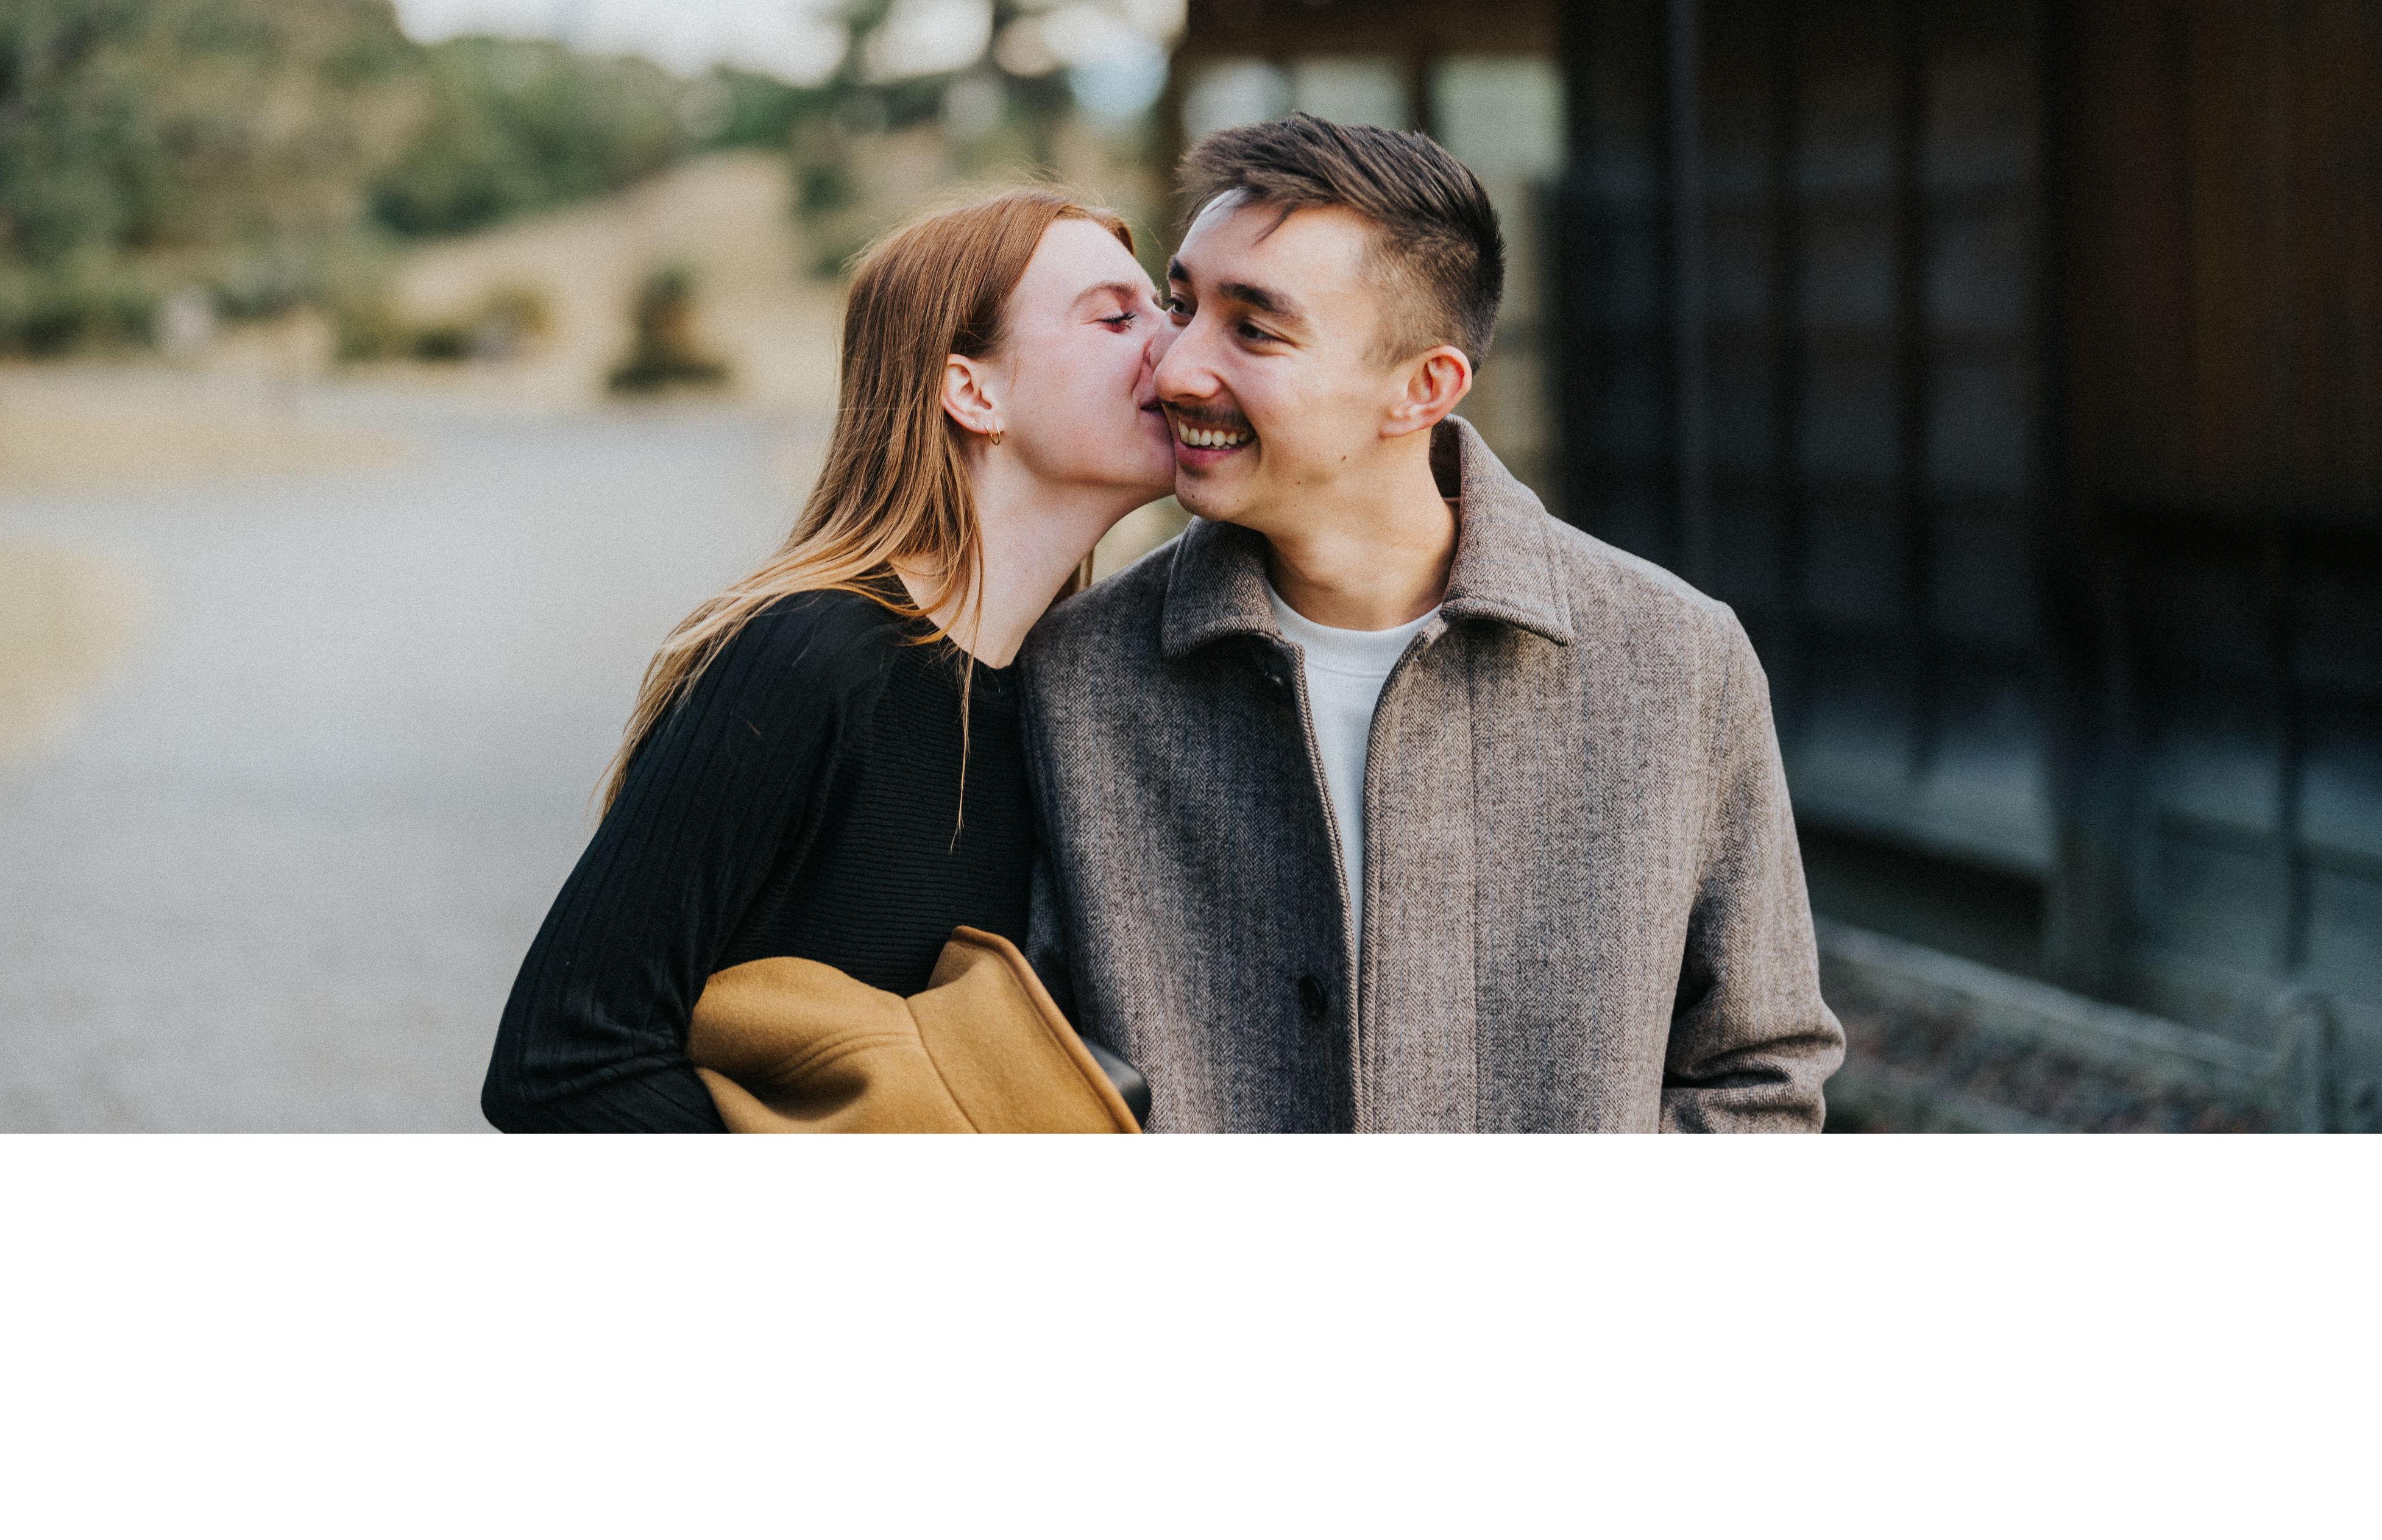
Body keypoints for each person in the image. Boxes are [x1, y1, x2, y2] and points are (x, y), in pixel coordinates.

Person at [1020, 116, 1845, 1132]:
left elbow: (1758, 1073)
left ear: (1424, 388)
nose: (1177, 370)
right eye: (1180, 307)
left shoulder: (1677, 661)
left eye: (1256, 328)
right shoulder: (1079, 678)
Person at [481, 187, 1174, 1132]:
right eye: (1116, 316)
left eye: (1166, 310)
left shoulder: (1069, 691)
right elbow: (560, 1062)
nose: (1174, 345)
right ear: (974, 390)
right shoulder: (809, 657)